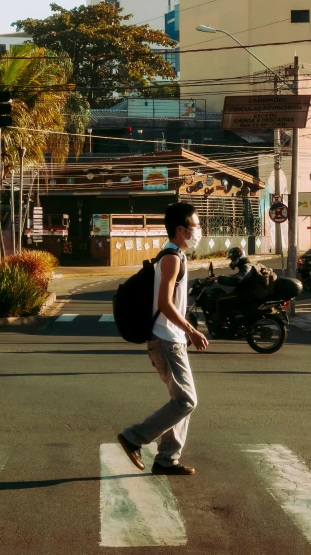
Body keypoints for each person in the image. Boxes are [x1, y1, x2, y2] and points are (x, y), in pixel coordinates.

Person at [117, 202, 209, 476]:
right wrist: (191, 329)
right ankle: (134, 437)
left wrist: (184, 331)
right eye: (195, 226)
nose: (198, 231)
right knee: (186, 401)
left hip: (172, 338)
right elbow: (165, 303)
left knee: (180, 401)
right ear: (181, 229)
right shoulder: (171, 257)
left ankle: (167, 459)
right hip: (166, 340)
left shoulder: (176, 255)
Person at [211, 247, 253, 335]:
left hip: (245, 294)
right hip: (246, 292)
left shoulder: (246, 266)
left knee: (219, 300)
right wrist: (221, 277)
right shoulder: (245, 265)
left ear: (237, 258)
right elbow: (238, 276)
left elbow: (237, 280)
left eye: (232, 259)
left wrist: (220, 279)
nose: (231, 261)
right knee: (225, 296)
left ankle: (223, 327)